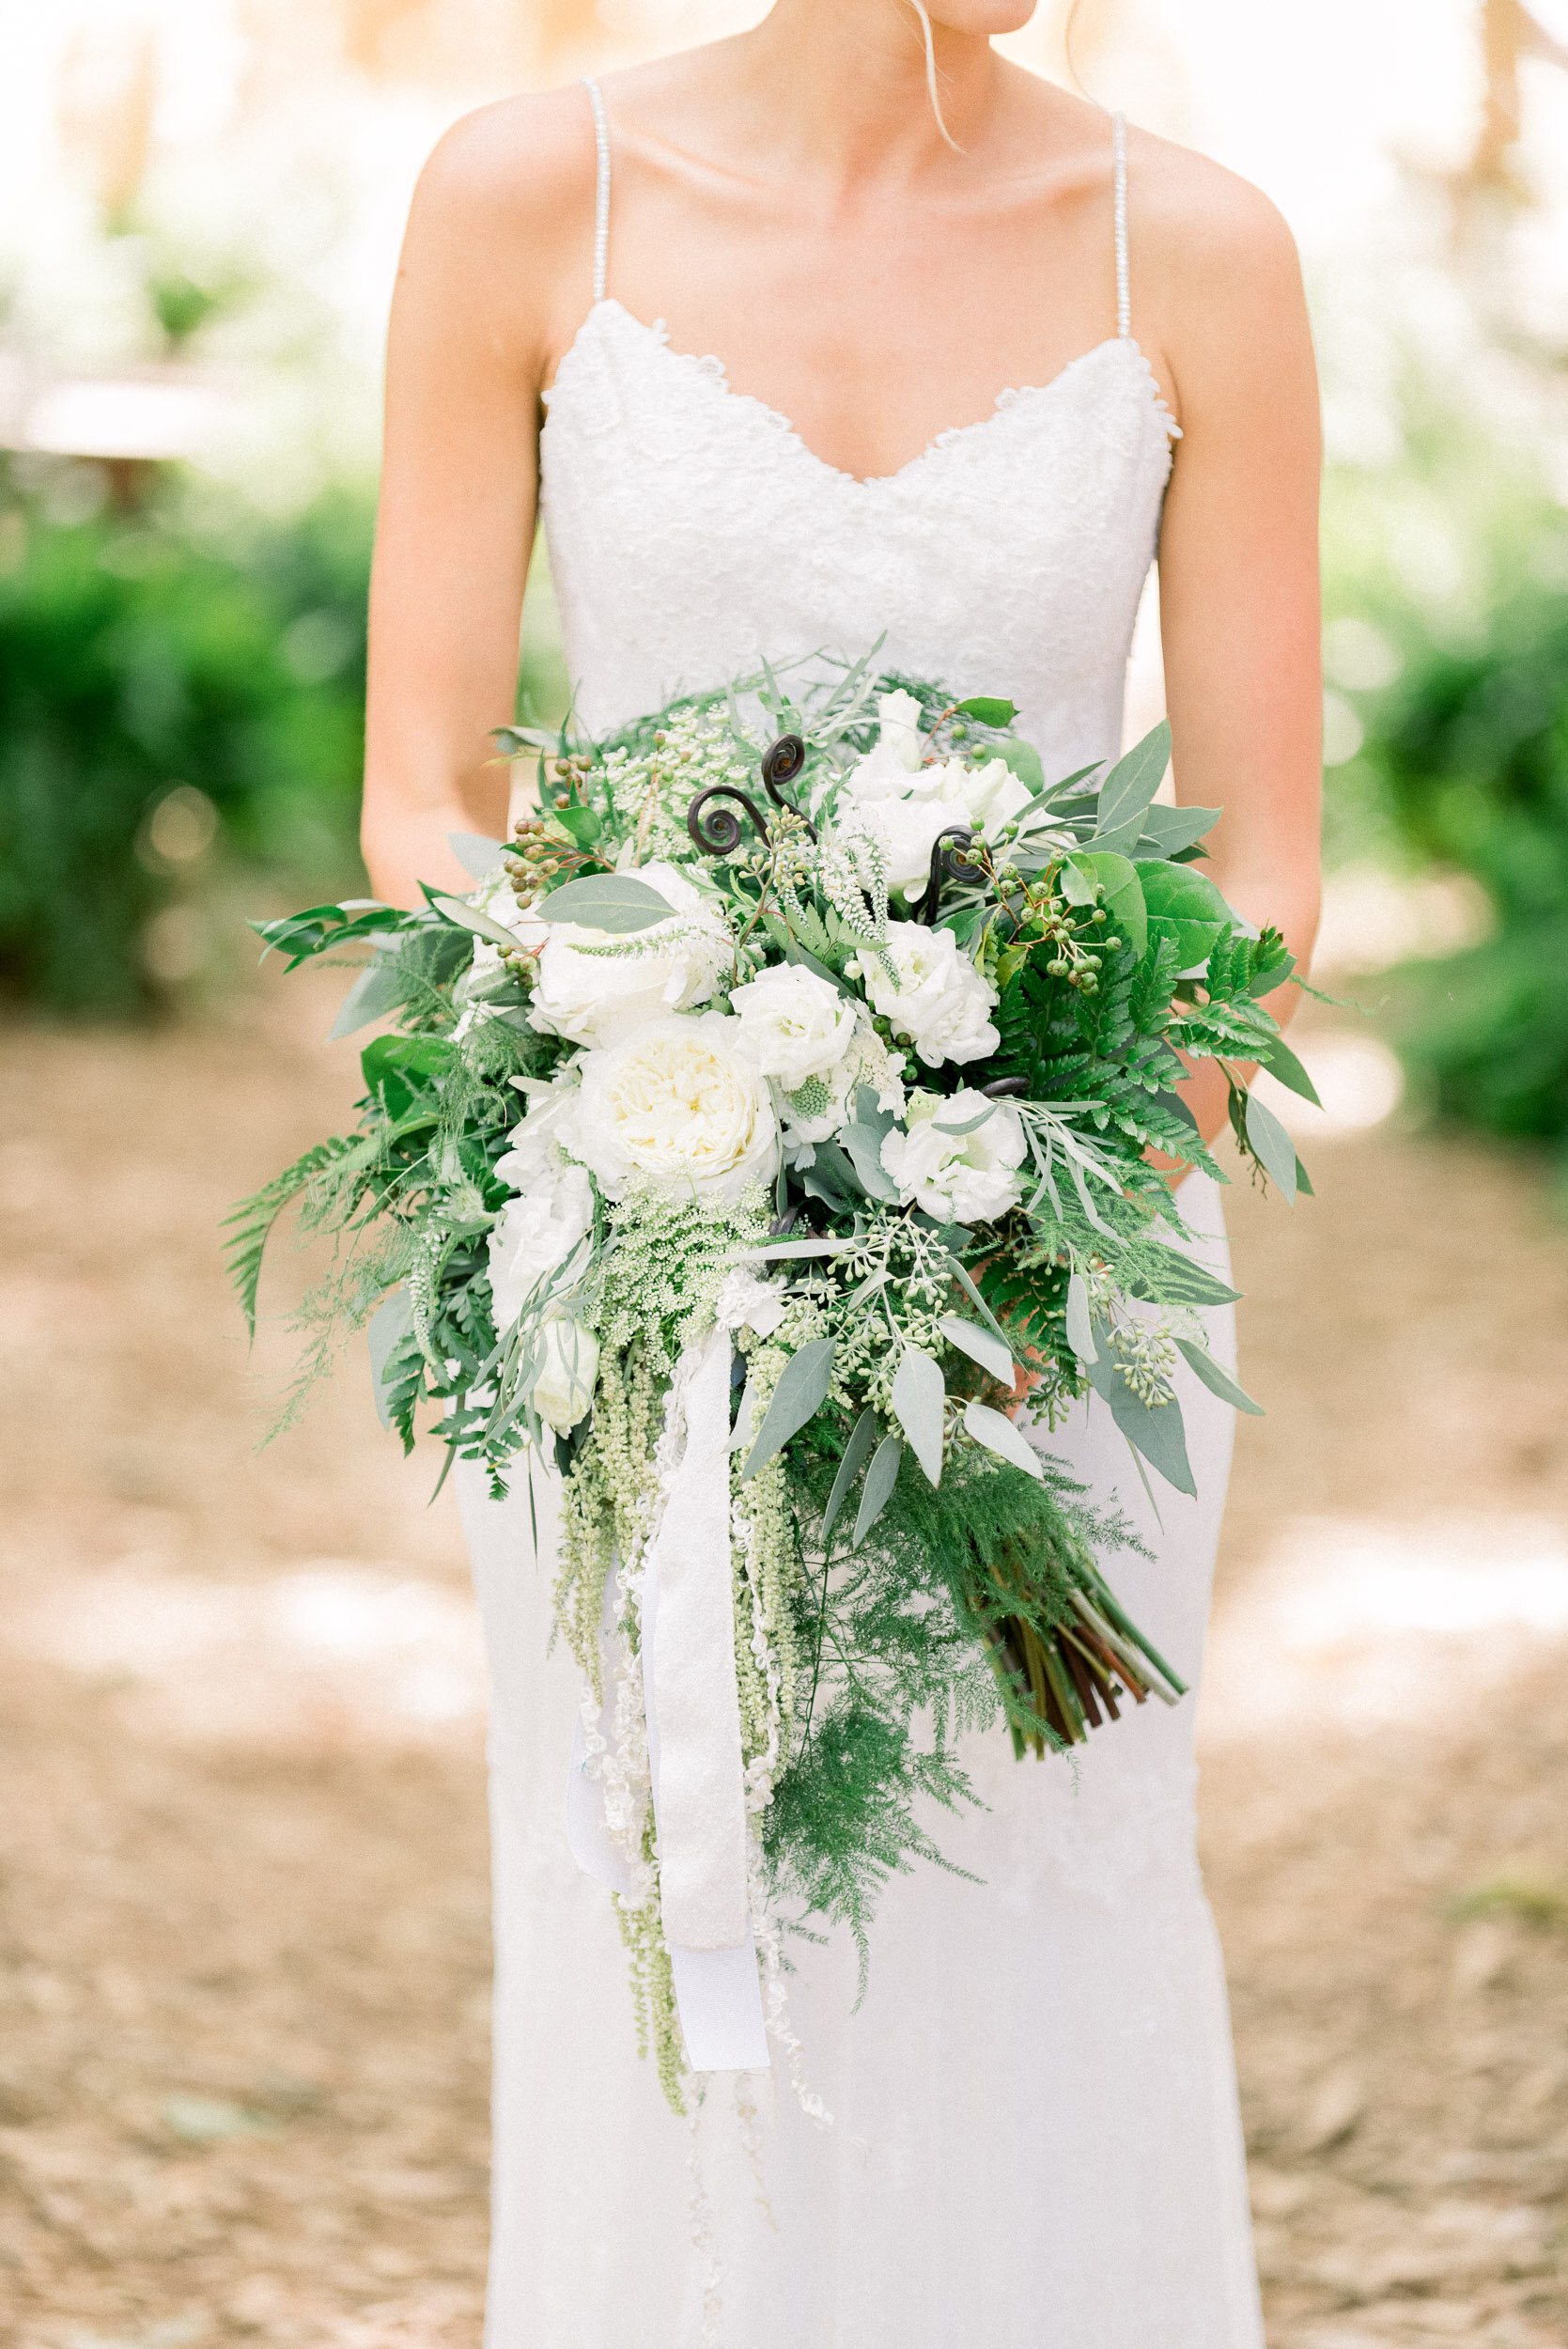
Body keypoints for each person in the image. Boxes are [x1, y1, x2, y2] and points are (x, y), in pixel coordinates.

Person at [361, 5, 1322, 2342]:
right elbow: (421, 787)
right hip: (625, 1237)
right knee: (664, 1870)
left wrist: (1011, 1199)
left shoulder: (1192, 245)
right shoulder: (523, 197)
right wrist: (623, 1069)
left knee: (1036, 1867)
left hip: (1052, 1270)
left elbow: (1268, 863)